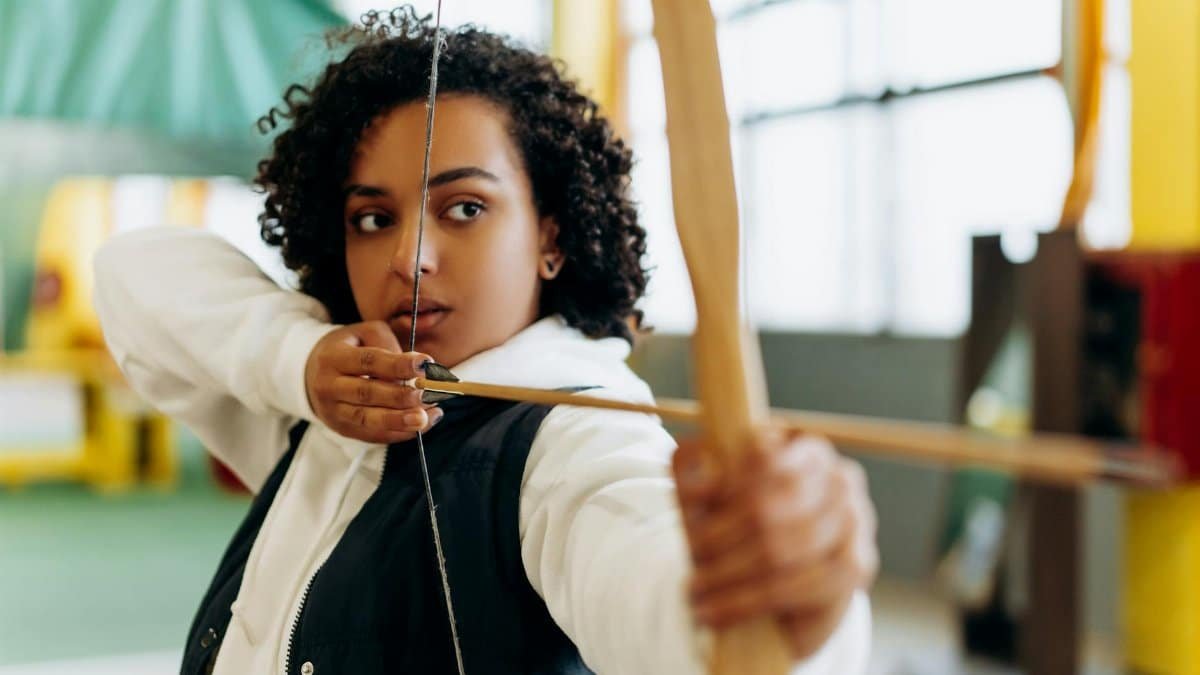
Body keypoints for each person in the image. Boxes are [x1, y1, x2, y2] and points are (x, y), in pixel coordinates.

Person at [94, 8, 877, 674]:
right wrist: (297, 361)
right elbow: (130, 271)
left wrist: (794, 599)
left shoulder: (571, 438)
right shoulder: (322, 406)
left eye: (464, 207)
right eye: (373, 218)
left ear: (551, 238)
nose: (409, 257)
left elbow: (661, 596)